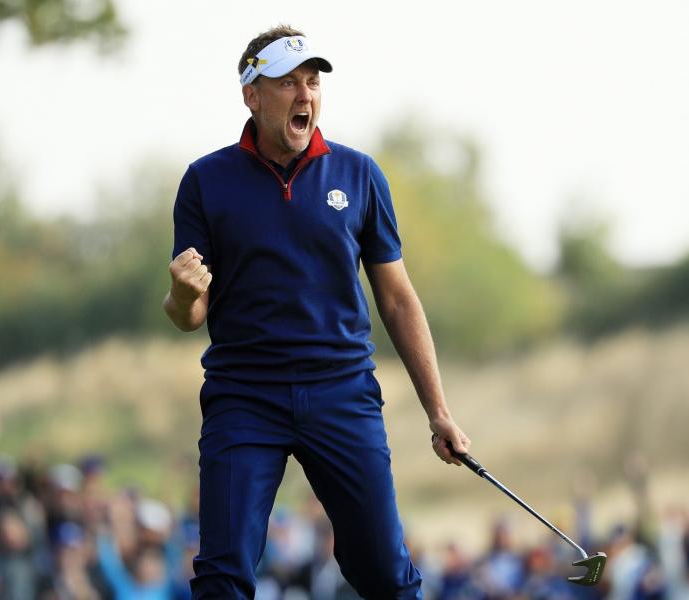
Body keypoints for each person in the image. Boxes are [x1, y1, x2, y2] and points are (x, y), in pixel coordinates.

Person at [162, 25, 470, 599]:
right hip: (244, 396)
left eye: (313, 82)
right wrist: (180, 292)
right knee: (222, 576)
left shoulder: (358, 175)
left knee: (384, 574)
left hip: (342, 393)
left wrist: (439, 411)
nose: (306, 94)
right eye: (287, 83)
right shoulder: (206, 180)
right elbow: (190, 311)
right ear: (252, 94)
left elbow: (398, 299)